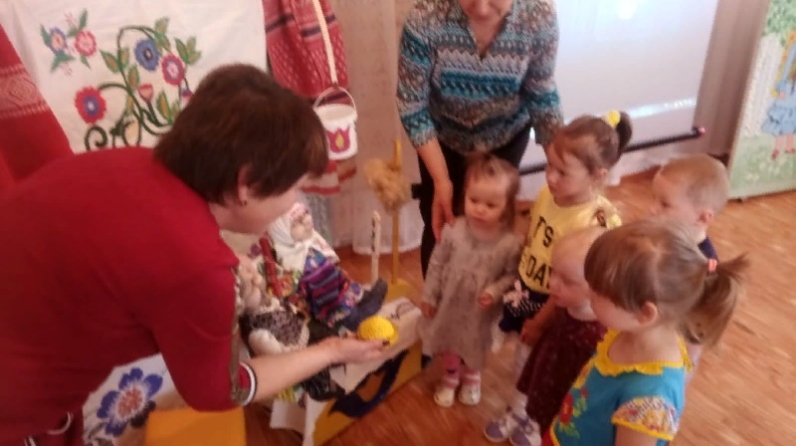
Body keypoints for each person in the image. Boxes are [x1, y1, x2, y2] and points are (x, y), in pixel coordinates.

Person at [0, 64, 384, 446]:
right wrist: (330, 350)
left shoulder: (135, 162)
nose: (294, 202)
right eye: (294, 187)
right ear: (246, 184)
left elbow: (141, 254)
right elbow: (222, 391)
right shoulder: (199, 271)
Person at [484, 111, 630, 442]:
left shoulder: (597, 222)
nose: (550, 177)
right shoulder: (547, 195)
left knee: (543, 366)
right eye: (549, 165)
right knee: (524, 359)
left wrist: (541, 321)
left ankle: (532, 418)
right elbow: (533, 235)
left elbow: (581, 286)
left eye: (562, 172)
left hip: (557, 305)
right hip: (528, 289)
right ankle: (519, 409)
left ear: (597, 175)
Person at [543, 219, 748, 446]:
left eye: (598, 291)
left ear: (644, 313)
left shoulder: (651, 397)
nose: (589, 292)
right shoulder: (629, 329)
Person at [396, 0, 564, 276]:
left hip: (506, 138)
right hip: (442, 142)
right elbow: (412, 104)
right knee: (442, 225)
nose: (482, 9)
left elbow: (541, 92)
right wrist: (441, 180)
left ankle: (489, 296)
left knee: (494, 223)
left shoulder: (539, 15)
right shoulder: (425, 17)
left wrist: (562, 166)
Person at [486, 227, 607, 446]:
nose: (553, 284)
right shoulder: (564, 302)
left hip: (567, 394)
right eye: (553, 272)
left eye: (567, 281)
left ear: (598, 288)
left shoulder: (599, 332)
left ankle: (538, 427)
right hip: (547, 368)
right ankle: (523, 414)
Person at [419, 153, 521, 407]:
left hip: (480, 310)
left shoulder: (509, 244)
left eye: (491, 205)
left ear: (507, 207)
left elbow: (512, 276)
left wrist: (494, 291)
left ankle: (472, 377)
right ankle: (451, 376)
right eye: (474, 200)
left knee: (474, 344)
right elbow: (437, 263)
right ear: (464, 195)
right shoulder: (453, 231)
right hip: (451, 303)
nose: (480, 208)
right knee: (450, 340)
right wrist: (430, 295)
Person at [649, 153, 730, 378]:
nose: (652, 209)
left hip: (674, 353)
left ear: (703, 218)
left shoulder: (706, 266)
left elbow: (699, 324)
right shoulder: (660, 238)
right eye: (654, 198)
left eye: (664, 204)